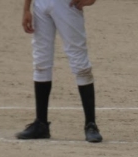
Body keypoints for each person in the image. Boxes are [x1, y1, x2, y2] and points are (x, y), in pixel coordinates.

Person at [16, 0, 102, 143]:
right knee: (41, 61)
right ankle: (41, 123)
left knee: (79, 61)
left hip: (66, 4)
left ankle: (91, 124)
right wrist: (26, 9)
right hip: (40, 4)